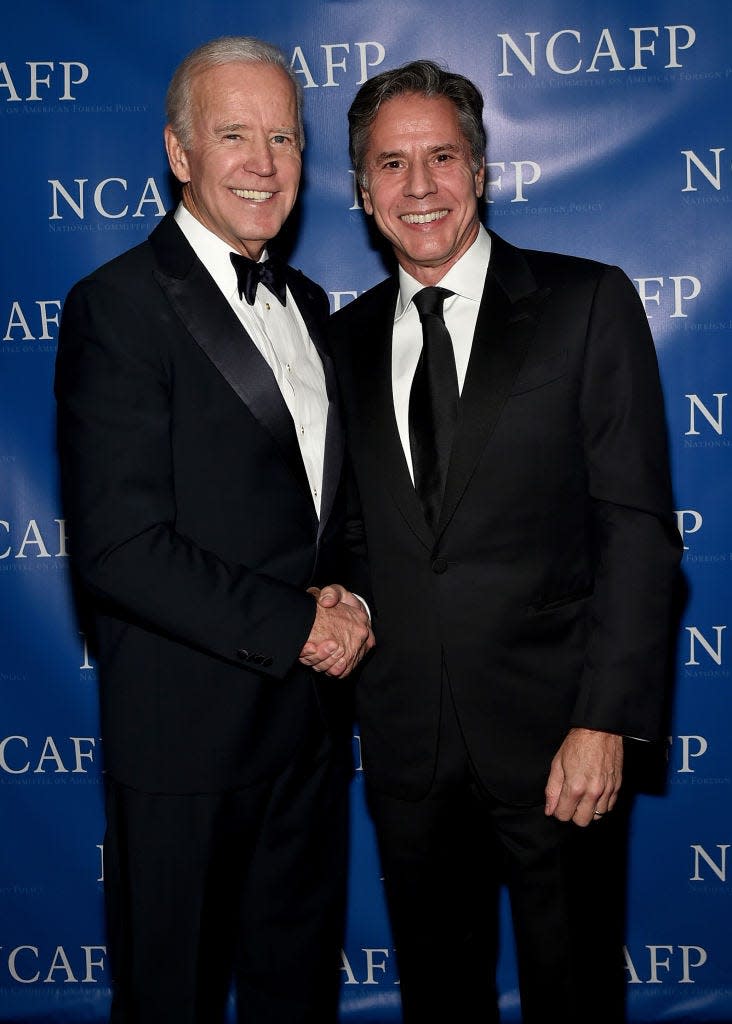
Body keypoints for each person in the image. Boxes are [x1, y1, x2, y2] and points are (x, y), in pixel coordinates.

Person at [327, 60, 682, 1023]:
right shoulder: (340, 341)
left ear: (480, 171)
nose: (419, 187)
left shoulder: (586, 303)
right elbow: (349, 535)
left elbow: (638, 534)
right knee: (440, 1001)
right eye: (391, 164)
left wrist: (604, 720)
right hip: (408, 751)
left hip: (560, 744)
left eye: (442, 157)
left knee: (574, 997)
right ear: (362, 190)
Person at [54, 35, 373, 1024]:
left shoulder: (314, 305)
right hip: (185, 740)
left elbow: (328, 506)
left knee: (297, 993)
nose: (265, 162)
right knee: (174, 999)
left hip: (310, 732)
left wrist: (351, 595)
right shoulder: (117, 305)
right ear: (180, 154)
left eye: (283, 135)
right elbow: (119, 546)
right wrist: (296, 625)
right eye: (234, 134)